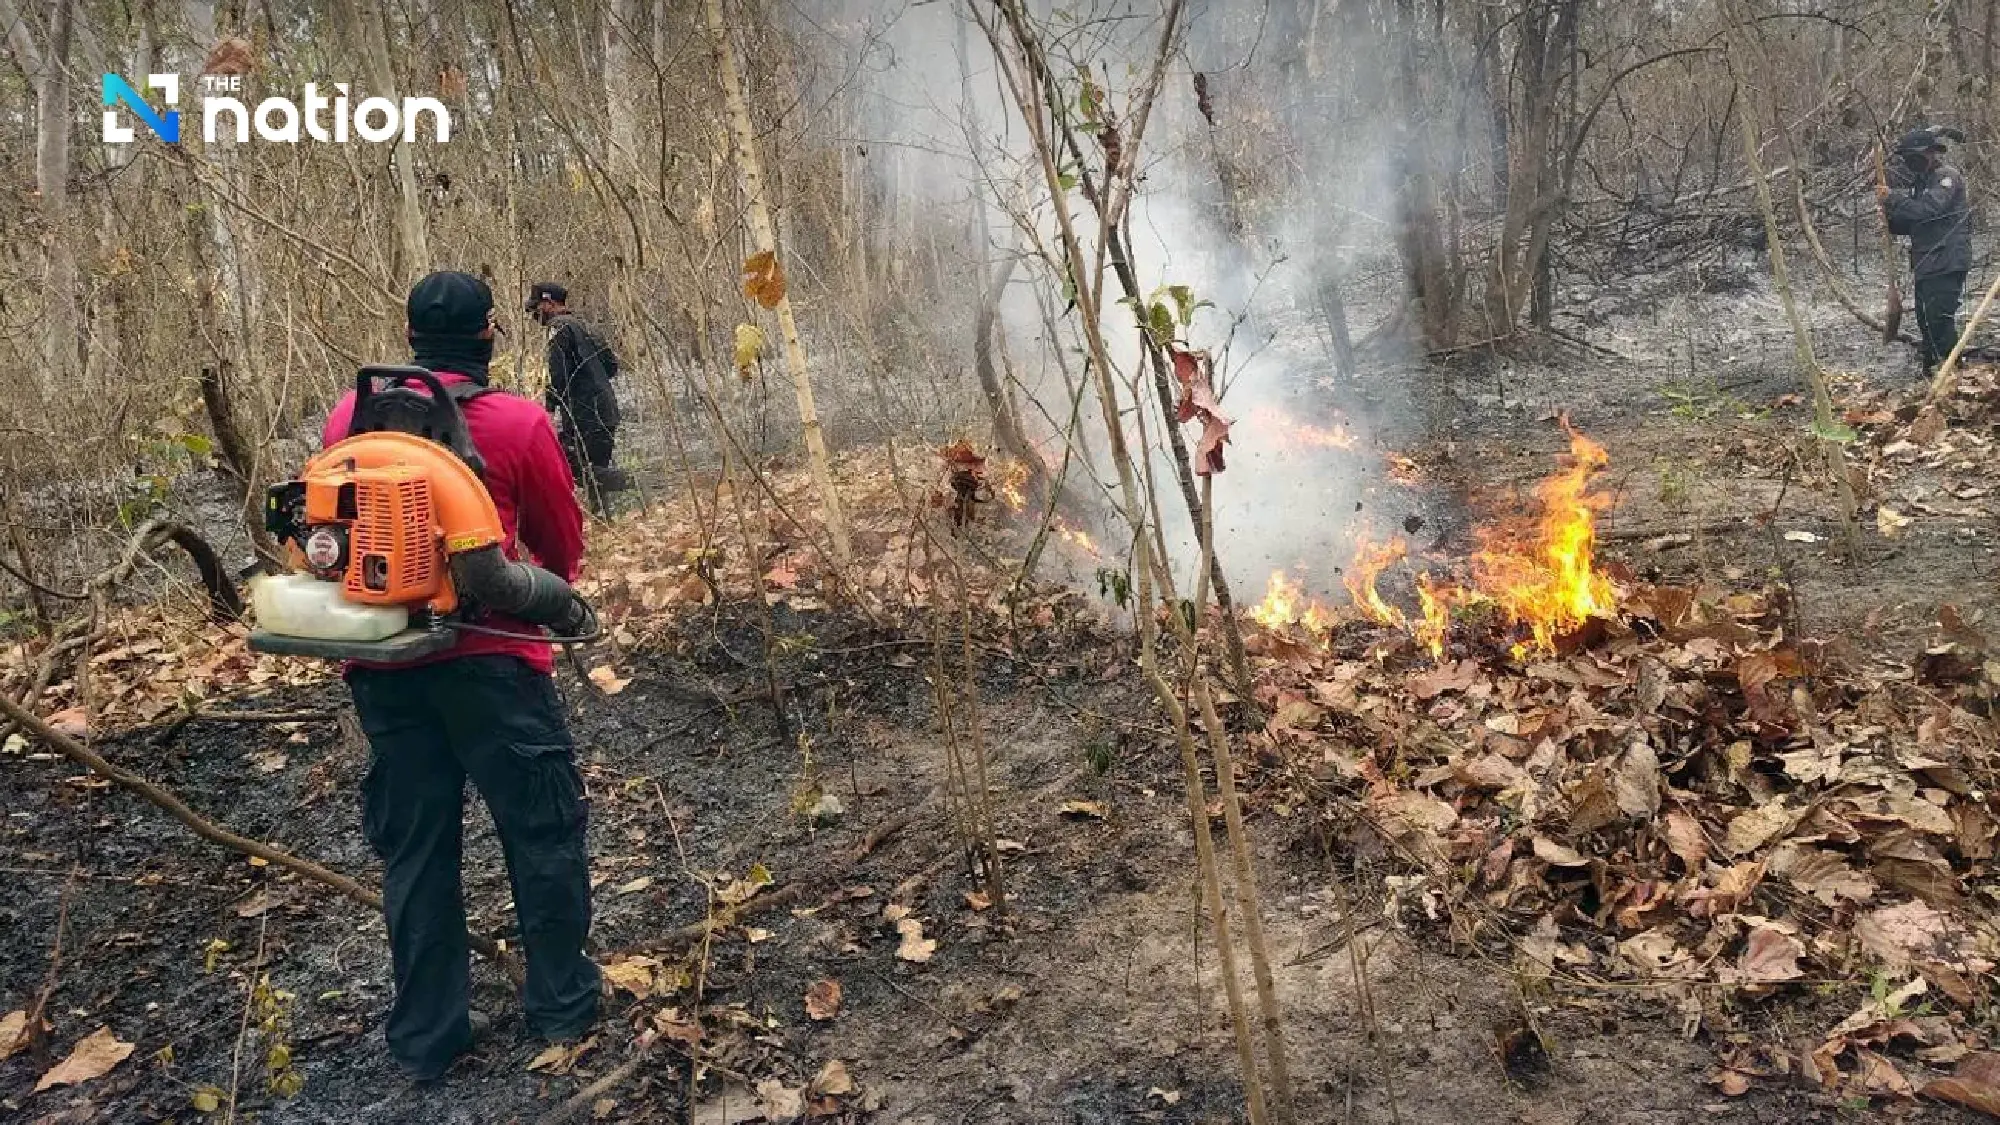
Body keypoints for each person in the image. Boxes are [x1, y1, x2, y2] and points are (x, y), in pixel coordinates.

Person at [323, 271, 601, 1082]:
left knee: (415, 846)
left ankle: (428, 1034)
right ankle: (561, 1006)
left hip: (383, 662)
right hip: (496, 665)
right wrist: (551, 590)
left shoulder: (351, 415)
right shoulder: (516, 421)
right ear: (490, 335)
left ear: (409, 340)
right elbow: (563, 543)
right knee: (541, 830)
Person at [1880, 127, 1974, 374]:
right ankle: (1932, 370)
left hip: (1947, 259)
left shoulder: (1947, 177)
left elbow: (1928, 210)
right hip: (1925, 262)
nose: (1911, 162)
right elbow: (1908, 222)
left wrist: (1894, 199)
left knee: (1939, 319)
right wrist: (1887, 214)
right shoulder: (1918, 185)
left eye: (1916, 156)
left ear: (1931, 153)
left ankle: (1953, 374)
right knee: (1925, 320)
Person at [527, 282, 627, 513]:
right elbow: (611, 366)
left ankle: (635, 483)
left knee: (574, 467)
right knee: (596, 469)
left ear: (548, 303)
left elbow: (558, 374)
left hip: (585, 413)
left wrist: (550, 407)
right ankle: (604, 520)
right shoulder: (586, 325)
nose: (535, 315)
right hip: (606, 407)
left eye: (536, 308)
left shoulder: (559, 327)